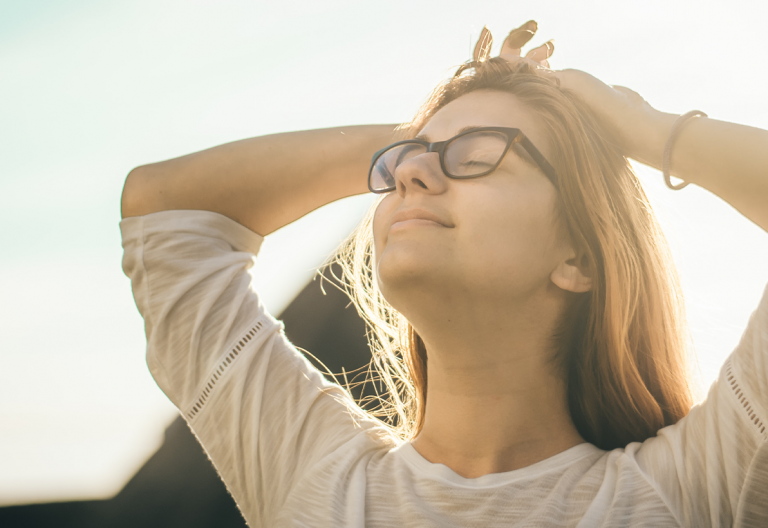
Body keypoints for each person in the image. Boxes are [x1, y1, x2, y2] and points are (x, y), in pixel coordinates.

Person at [120, 20, 768, 527]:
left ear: (582, 258)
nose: (408, 173)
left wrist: (644, 129)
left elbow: (171, 215)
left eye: (479, 156)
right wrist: (428, 130)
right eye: (401, 162)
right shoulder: (313, 476)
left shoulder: (696, 491)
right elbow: (167, 207)